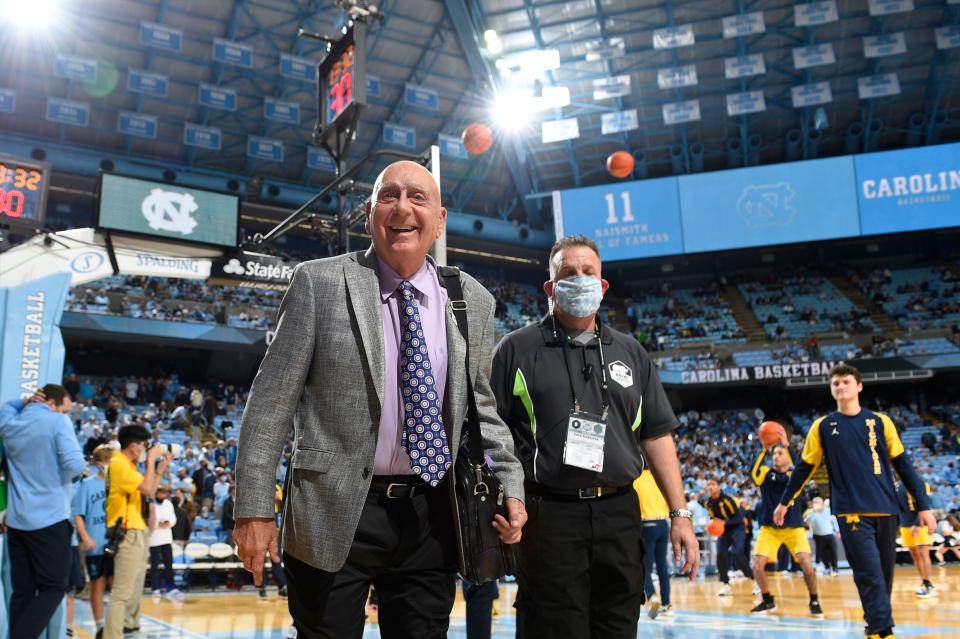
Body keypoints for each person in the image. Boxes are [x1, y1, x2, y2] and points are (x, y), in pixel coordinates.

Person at [233, 160, 526, 639]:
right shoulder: (319, 282)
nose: (402, 207)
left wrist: (509, 483)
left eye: (417, 197)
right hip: (332, 508)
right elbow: (269, 405)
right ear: (369, 214)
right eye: (389, 196)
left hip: (431, 511)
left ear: (440, 219)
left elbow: (483, 412)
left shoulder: (471, 298)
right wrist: (254, 509)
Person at [490, 235, 699, 638]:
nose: (580, 279)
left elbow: (656, 436)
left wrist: (680, 514)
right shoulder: (515, 349)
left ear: (603, 286)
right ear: (550, 286)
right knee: (551, 627)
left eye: (589, 273)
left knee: (618, 625)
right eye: (569, 273)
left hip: (619, 514)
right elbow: (490, 436)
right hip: (548, 516)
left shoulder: (631, 352)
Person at [774, 364, 935, 639]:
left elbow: (904, 466)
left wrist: (924, 505)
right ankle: (883, 633)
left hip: (886, 509)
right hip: (851, 512)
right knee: (869, 574)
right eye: (835, 383)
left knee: (884, 579)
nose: (840, 387)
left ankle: (873, 625)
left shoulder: (882, 422)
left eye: (846, 382)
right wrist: (785, 501)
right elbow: (804, 468)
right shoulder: (822, 426)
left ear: (859, 386)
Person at [0, 384, 85, 639]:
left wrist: (24, 400)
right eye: (65, 409)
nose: (66, 414)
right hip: (49, 519)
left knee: (22, 592)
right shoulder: (58, 423)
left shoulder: (10, 425)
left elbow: (6, 407)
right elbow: (75, 464)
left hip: (17, 521)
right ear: (52, 404)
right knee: (53, 588)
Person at [104, 425, 172, 639]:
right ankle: (112, 635)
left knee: (133, 587)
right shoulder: (118, 463)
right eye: (142, 444)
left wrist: (160, 468)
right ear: (133, 446)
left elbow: (150, 490)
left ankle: (128, 625)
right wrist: (152, 460)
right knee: (121, 593)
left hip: (137, 529)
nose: (144, 449)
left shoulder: (129, 465)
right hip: (127, 531)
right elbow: (145, 488)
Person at [748, 443, 822, 616]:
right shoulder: (766, 473)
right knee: (757, 565)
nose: (775, 456)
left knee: (806, 564)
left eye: (780, 453)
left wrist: (787, 446)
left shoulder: (794, 475)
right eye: (774, 454)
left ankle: (814, 599)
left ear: (788, 457)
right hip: (769, 528)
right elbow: (753, 472)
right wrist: (764, 448)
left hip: (794, 527)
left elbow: (801, 464)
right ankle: (767, 600)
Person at [75, 445, 114, 639]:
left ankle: (116, 623)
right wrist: (85, 537)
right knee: (98, 584)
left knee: (117, 584)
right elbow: (79, 515)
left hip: (115, 542)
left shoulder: (117, 483)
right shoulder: (87, 484)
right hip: (95, 542)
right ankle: (100, 626)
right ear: (99, 464)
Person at [705, 478, 754, 596]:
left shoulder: (729, 500)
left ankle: (754, 579)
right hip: (723, 530)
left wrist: (723, 523)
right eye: (708, 485)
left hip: (737, 527)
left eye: (712, 484)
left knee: (737, 553)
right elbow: (713, 519)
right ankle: (725, 584)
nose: (710, 487)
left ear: (718, 486)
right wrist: (713, 526)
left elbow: (739, 518)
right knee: (720, 554)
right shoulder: (708, 503)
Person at [634, 469, 673, 618]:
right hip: (663, 523)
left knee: (643, 566)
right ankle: (667, 604)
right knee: (662, 566)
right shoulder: (658, 477)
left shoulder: (635, 479)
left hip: (647, 524)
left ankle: (652, 596)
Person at [895, 477, 936, 598]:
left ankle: (929, 584)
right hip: (905, 524)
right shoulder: (896, 485)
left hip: (920, 523)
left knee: (923, 554)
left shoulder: (918, 482)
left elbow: (924, 503)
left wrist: (918, 523)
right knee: (915, 556)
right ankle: (924, 581)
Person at [149, 485, 185, 602]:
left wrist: (168, 522)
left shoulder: (168, 504)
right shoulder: (151, 503)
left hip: (166, 537)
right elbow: (149, 519)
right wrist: (157, 524)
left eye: (164, 493)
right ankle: (155, 588)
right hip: (154, 538)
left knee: (169, 564)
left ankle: (170, 587)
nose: (163, 495)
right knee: (155, 565)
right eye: (160, 493)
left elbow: (173, 519)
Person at [804, 496, 840, 575]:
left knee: (833, 551)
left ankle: (835, 568)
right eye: (815, 502)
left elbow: (834, 521)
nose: (816, 504)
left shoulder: (829, 510)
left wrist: (837, 531)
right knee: (822, 552)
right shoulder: (810, 512)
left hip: (830, 534)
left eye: (818, 502)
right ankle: (826, 567)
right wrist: (814, 512)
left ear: (822, 503)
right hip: (818, 535)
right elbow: (808, 522)